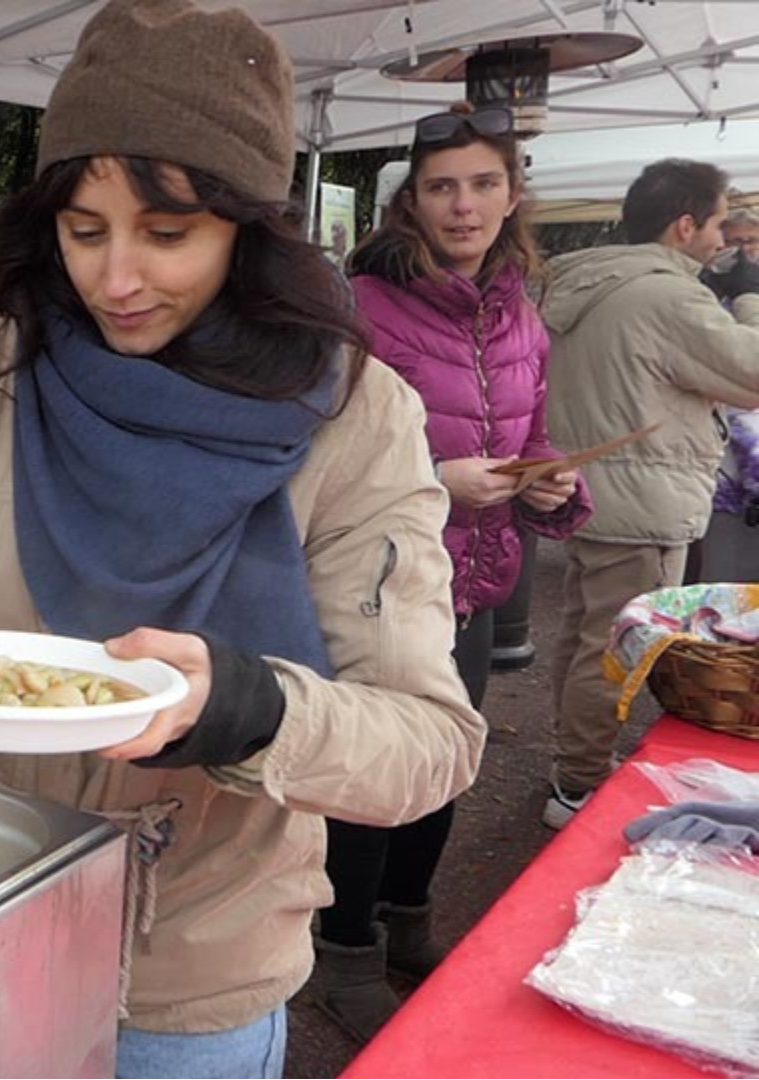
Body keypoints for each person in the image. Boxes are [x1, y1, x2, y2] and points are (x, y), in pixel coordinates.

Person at [0, 2, 485, 1074]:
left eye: (168, 234)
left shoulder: (356, 416)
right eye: (84, 228)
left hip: (179, 975)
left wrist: (249, 710)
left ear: (248, 228)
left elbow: (427, 744)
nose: (116, 280)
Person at [313, 102, 593, 1040]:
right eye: (442, 187)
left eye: (482, 184)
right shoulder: (359, 307)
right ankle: (342, 948)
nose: (463, 206)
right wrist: (432, 480)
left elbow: (535, 435)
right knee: (372, 774)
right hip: (375, 583)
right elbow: (311, 454)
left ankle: (405, 924)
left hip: (476, 579)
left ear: (513, 194)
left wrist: (548, 484)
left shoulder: (523, 313)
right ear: (412, 201)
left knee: (444, 765)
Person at [540, 158, 759, 829]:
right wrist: (751, 296)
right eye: (722, 223)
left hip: (593, 488)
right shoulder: (669, 297)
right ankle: (578, 782)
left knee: (585, 636)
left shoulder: (597, 280)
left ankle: (574, 765)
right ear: (686, 224)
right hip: (642, 497)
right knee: (611, 646)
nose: (727, 240)